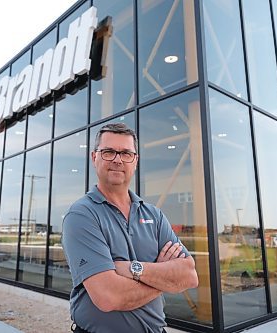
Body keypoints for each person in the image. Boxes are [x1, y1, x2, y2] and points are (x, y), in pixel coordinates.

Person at [62, 123, 198, 333]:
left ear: (135, 161)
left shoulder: (154, 215)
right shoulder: (82, 215)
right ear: (94, 157)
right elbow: (108, 297)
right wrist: (163, 276)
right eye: (108, 152)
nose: (117, 159)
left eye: (126, 153)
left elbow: (189, 276)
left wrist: (133, 269)